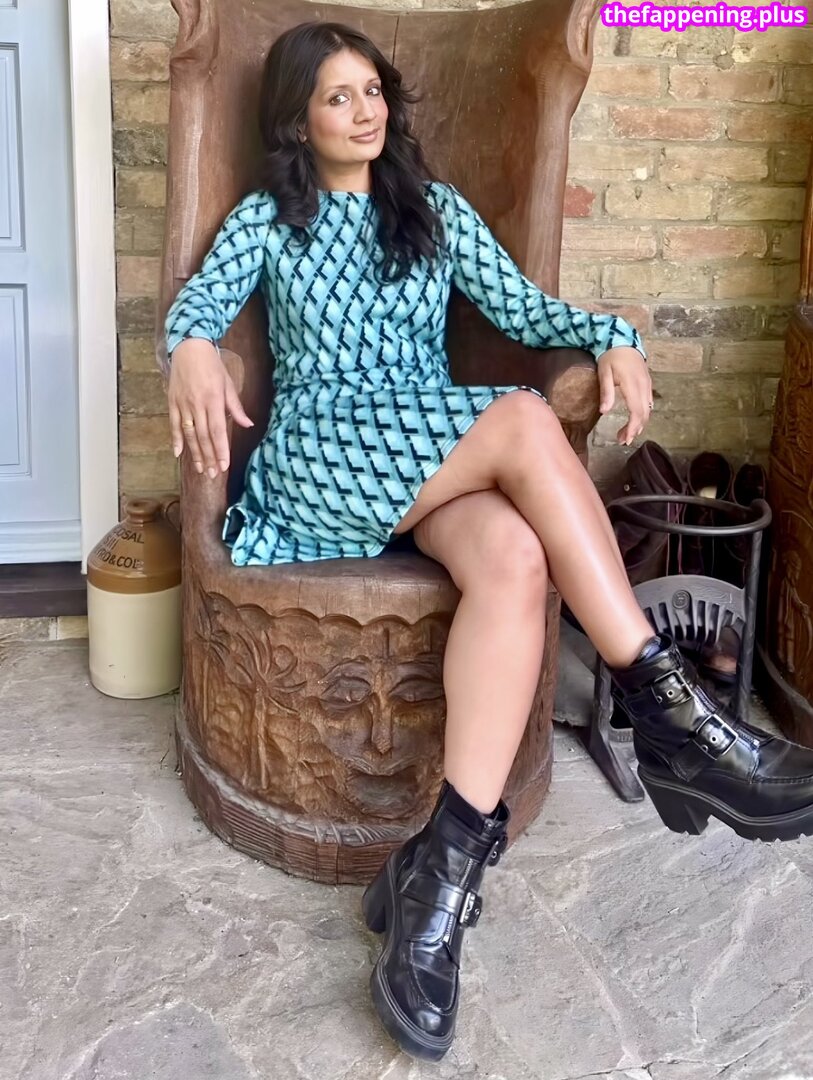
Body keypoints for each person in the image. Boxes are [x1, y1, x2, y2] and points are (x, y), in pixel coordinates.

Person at [164, 21, 813, 1063]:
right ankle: (671, 714)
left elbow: (525, 308)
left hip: (423, 456)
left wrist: (613, 336)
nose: (365, 112)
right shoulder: (268, 220)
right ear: (297, 119)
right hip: (322, 454)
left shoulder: (432, 209)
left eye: (372, 90)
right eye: (337, 97)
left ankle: (437, 883)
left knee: (513, 557)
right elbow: (198, 308)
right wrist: (191, 348)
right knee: (517, 417)